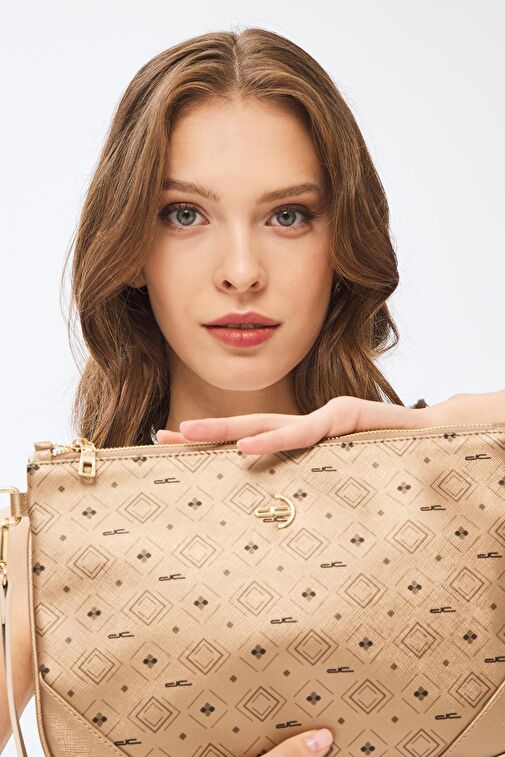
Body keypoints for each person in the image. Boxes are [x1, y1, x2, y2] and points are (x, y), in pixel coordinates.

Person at [1, 26, 504, 757]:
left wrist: (458, 432)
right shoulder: (49, 544)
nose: (241, 270)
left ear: (342, 243)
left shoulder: (461, 500)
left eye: (287, 216)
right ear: (132, 247)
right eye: (185, 214)